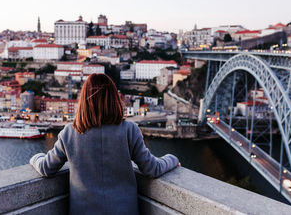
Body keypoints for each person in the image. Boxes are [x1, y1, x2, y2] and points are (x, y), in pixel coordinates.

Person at [30, 73, 179, 215]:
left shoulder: (69, 133)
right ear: (114, 99)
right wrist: (173, 159)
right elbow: (152, 168)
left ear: (84, 100)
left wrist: (35, 158)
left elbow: (46, 168)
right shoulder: (129, 130)